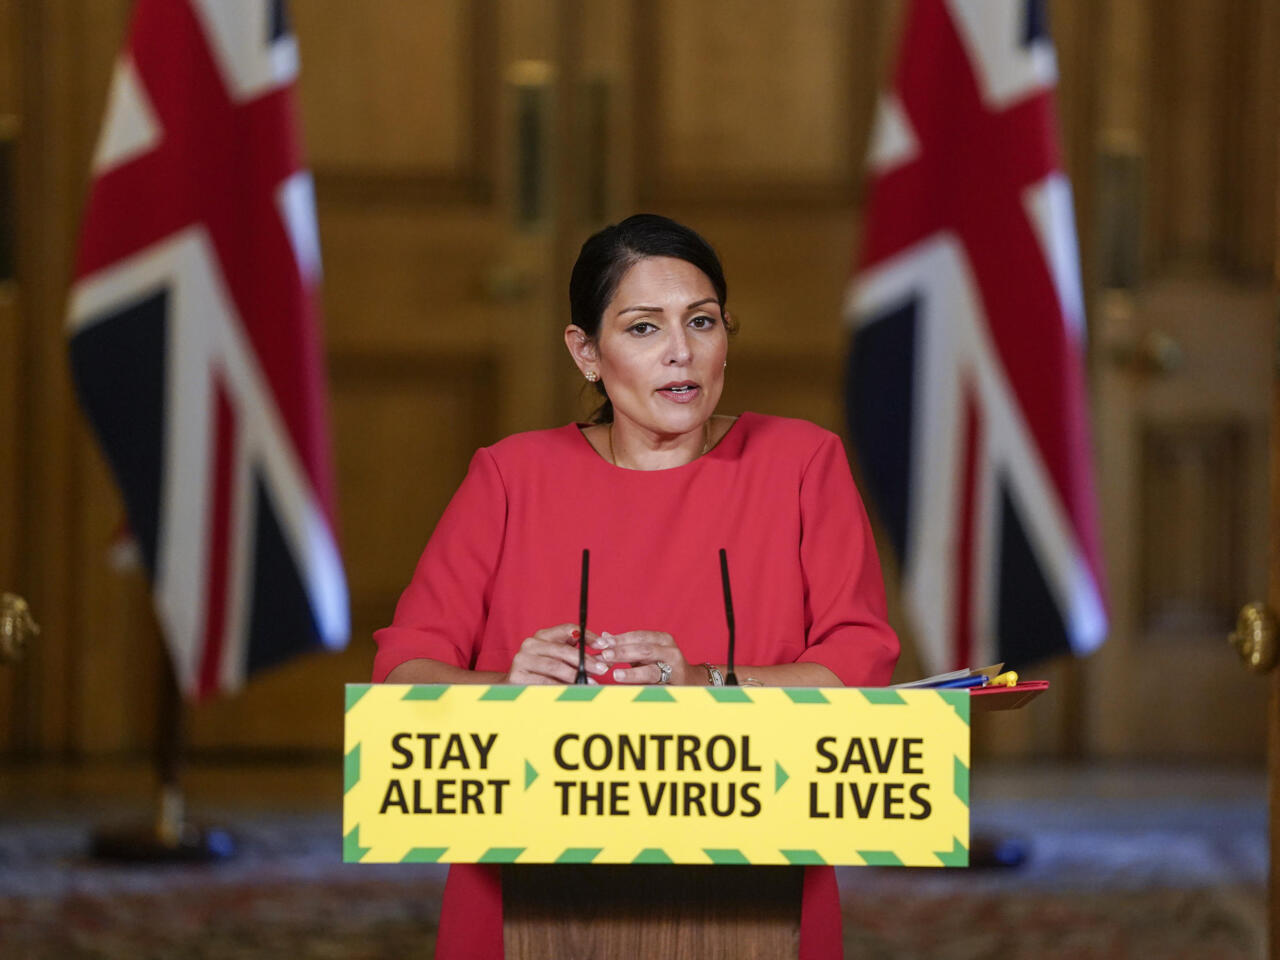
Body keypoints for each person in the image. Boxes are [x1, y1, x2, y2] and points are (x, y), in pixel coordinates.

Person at [373, 213, 899, 959]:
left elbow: (860, 663)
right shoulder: (510, 476)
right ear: (585, 352)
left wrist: (707, 682)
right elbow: (402, 674)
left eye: (703, 321)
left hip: (759, 885)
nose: (681, 352)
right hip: (525, 884)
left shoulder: (804, 463)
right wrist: (501, 690)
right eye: (644, 328)